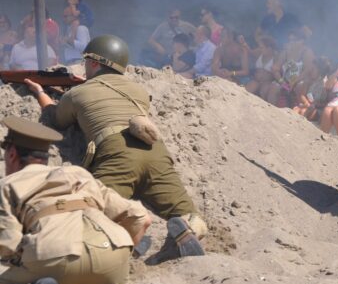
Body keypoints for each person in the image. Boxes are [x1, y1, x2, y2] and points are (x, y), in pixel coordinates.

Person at [23, 35, 206, 264]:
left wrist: (41, 92)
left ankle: (131, 238)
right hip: (155, 149)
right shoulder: (138, 90)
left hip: (116, 153)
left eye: (87, 60)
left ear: (95, 63)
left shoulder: (78, 93)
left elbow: (55, 120)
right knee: (189, 214)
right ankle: (189, 230)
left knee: (93, 216)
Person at [0, 116, 184, 284]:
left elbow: (7, 245)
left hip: (54, 254)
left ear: (12, 154)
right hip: (111, 249)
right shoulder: (79, 174)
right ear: (44, 157)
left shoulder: (8, 184)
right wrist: (122, 256)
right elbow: (141, 218)